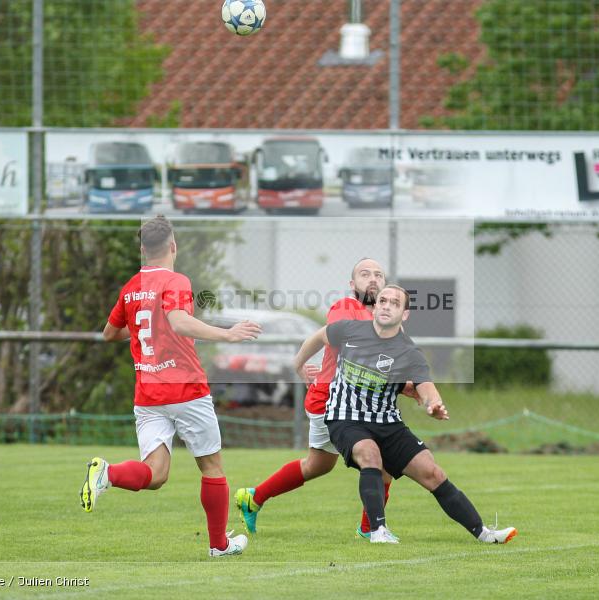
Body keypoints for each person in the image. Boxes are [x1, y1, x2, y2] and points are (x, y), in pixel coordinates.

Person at [79, 216, 262, 558]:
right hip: (185, 389)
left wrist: (144, 328)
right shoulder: (176, 280)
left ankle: (109, 473)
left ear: (142, 250)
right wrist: (227, 333)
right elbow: (178, 321)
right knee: (212, 467)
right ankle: (218, 545)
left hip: (148, 393)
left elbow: (109, 333)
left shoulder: (132, 287)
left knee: (157, 474)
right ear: (173, 246)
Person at [292, 284, 518, 545]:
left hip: (387, 422)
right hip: (346, 417)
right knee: (370, 455)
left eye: (394, 303)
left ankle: (484, 533)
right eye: (383, 301)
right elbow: (319, 337)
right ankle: (377, 531)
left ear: (405, 314)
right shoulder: (348, 330)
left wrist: (433, 404)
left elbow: (426, 385)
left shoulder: (408, 351)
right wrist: (298, 365)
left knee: (433, 473)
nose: (386, 305)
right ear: (375, 307)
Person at [233, 258, 404, 539]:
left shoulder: (388, 319)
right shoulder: (346, 307)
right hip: (332, 400)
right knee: (381, 462)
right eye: (364, 274)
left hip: (358, 403)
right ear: (352, 284)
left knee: (318, 465)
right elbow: (339, 340)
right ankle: (370, 528)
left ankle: (253, 498)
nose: (372, 279)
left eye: (378, 275)